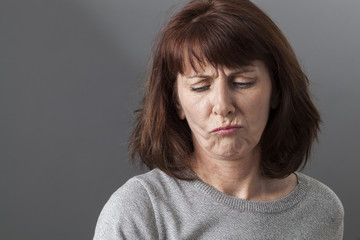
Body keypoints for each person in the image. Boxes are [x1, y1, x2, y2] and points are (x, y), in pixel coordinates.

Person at [93, 0, 344, 239]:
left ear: (276, 91)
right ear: (177, 103)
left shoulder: (322, 210)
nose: (223, 106)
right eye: (201, 86)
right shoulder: (141, 209)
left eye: (243, 82)